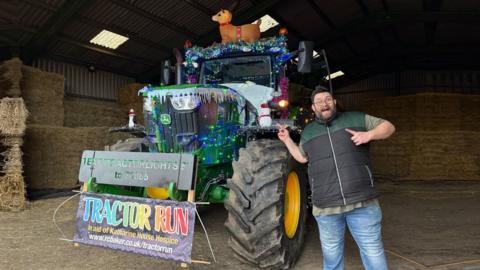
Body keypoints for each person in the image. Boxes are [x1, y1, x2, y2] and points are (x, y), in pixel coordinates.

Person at [277, 85, 395, 270]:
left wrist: (369, 134)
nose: (324, 103)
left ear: (334, 102)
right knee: (332, 258)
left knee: (372, 252)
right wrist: (287, 140)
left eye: (327, 99)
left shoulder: (356, 118)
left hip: (362, 204)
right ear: (313, 108)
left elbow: (389, 127)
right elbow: (301, 157)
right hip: (326, 208)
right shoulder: (308, 132)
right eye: (319, 102)